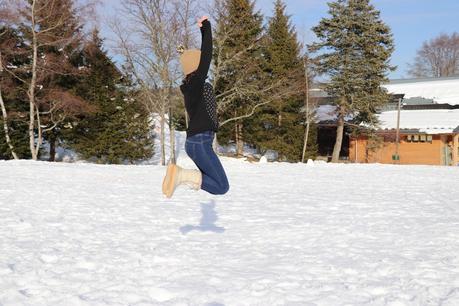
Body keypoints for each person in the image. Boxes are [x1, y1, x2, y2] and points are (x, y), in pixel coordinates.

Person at [162, 16, 229, 198]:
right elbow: (207, 53)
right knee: (221, 186)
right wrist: (206, 28)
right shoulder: (197, 84)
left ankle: (182, 176)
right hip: (199, 142)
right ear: (196, 66)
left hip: (197, 142)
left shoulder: (193, 87)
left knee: (219, 185)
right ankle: (181, 175)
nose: (205, 67)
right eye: (201, 64)